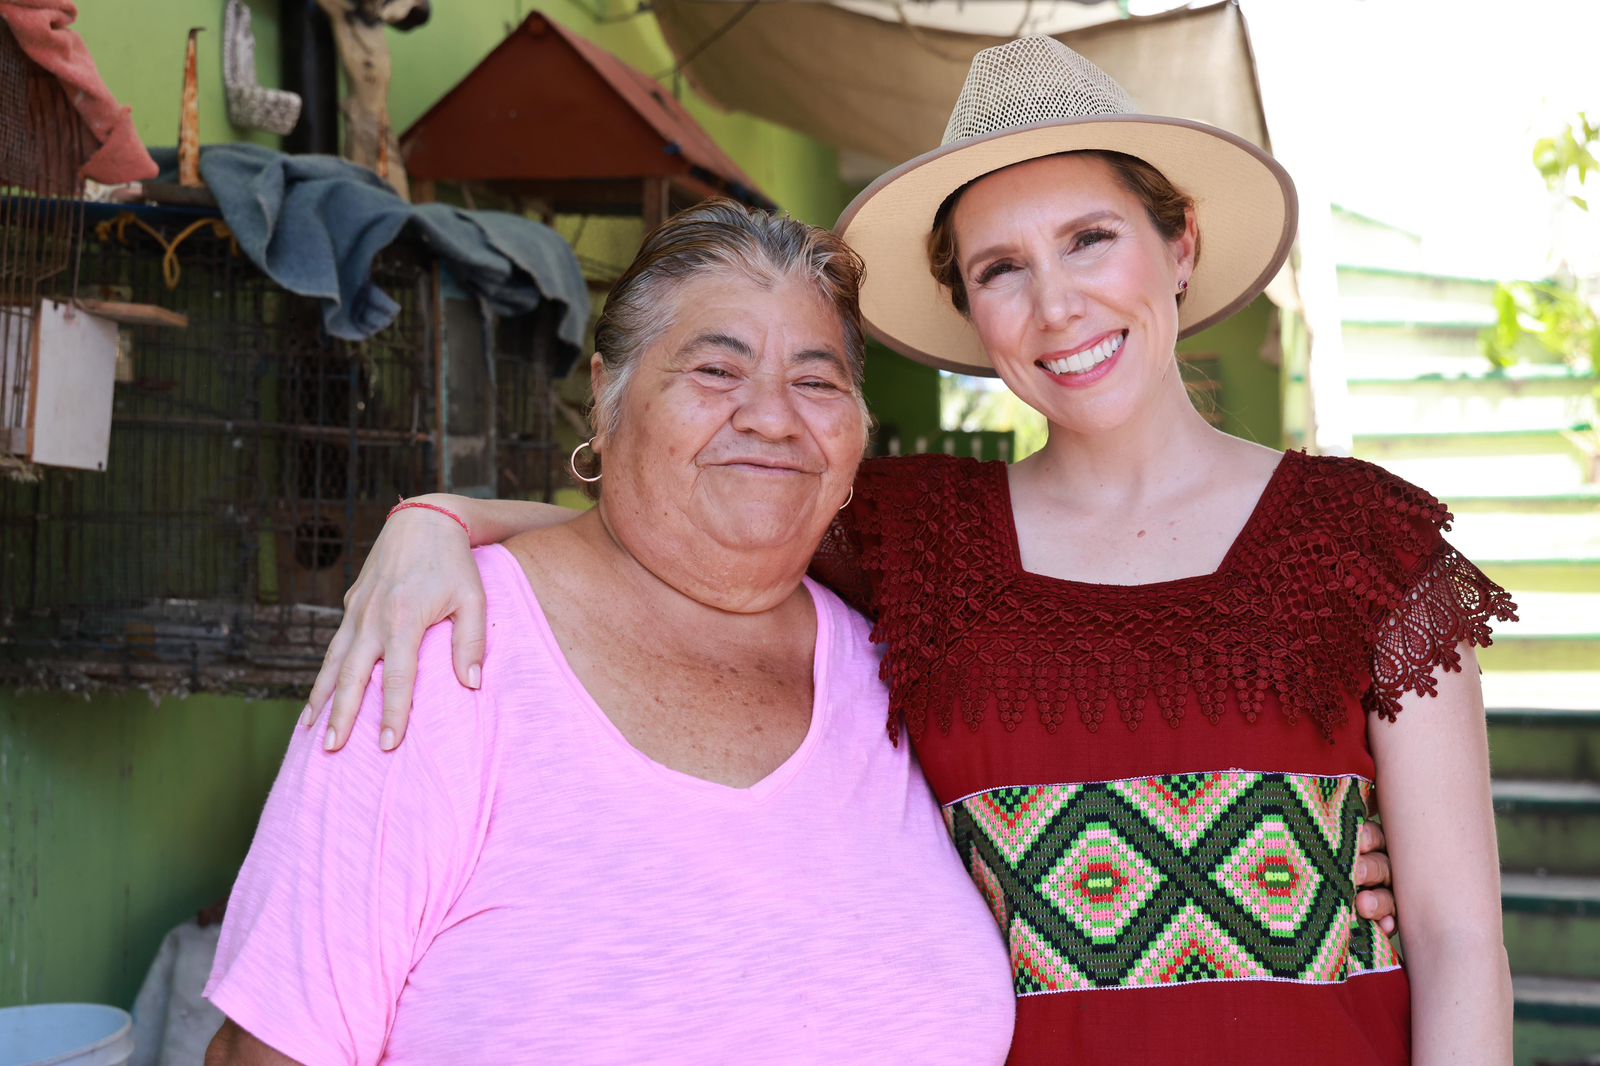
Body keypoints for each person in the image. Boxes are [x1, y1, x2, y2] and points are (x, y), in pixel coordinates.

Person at [306, 38, 1496, 1065]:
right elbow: (679, 521)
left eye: (1091, 238)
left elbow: (1454, 940)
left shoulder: (1367, 539)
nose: (1056, 306)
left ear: (1177, 243)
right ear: (970, 310)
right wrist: (435, 521)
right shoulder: (916, 539)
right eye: (1000, 270)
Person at [202, 203, 1018, 1065]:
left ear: (857, 433)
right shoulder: (446, 648)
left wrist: (446, 511)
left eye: (817, 383)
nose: (774, 417)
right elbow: (267, 1052)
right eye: (715, 368)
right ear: (607, 394)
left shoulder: (908, 661)